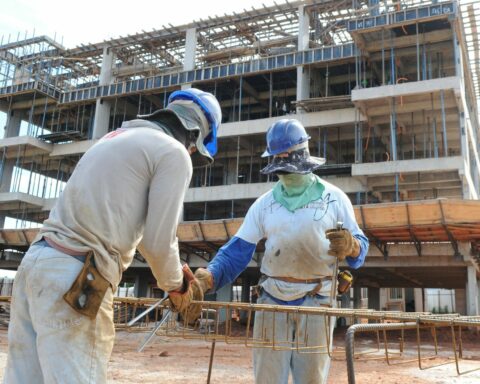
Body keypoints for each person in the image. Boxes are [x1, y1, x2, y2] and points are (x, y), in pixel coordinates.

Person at [4, 88, 221, 384]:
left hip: (36, 264)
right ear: (195, 137)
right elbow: (157, 242)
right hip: (78, 278)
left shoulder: (112, 139)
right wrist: (178, 286)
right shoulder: (173, 153)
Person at [191, 119, 369, 384]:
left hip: (317, 300)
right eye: (280, 168)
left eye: (289, 167)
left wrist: (352, 245)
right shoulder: (265, 204)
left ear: (303, 157)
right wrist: (207, 279)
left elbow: (360, 252)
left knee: (311, 378)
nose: (285, 175)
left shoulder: (334, 198)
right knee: (268, 378)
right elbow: (237, 251)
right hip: (272, 300)